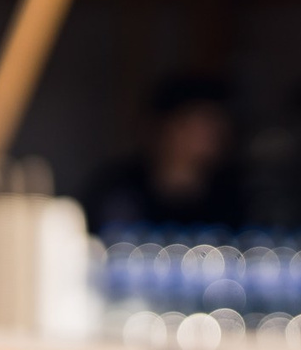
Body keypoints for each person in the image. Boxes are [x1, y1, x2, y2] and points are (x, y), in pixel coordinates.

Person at [84, 75, 245, 236]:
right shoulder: (119, 191)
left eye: (220, 121)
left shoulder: (234, 193)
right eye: (204, 120)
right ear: (167, 126)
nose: (216, 132)